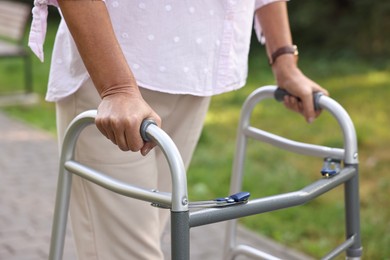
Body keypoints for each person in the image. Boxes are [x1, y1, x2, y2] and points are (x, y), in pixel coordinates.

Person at [29, 0, 329, 259]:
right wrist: (117, 89)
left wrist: (284, 62)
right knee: (129, 251)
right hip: (112, 82)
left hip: (196, 74)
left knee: (150, 234)